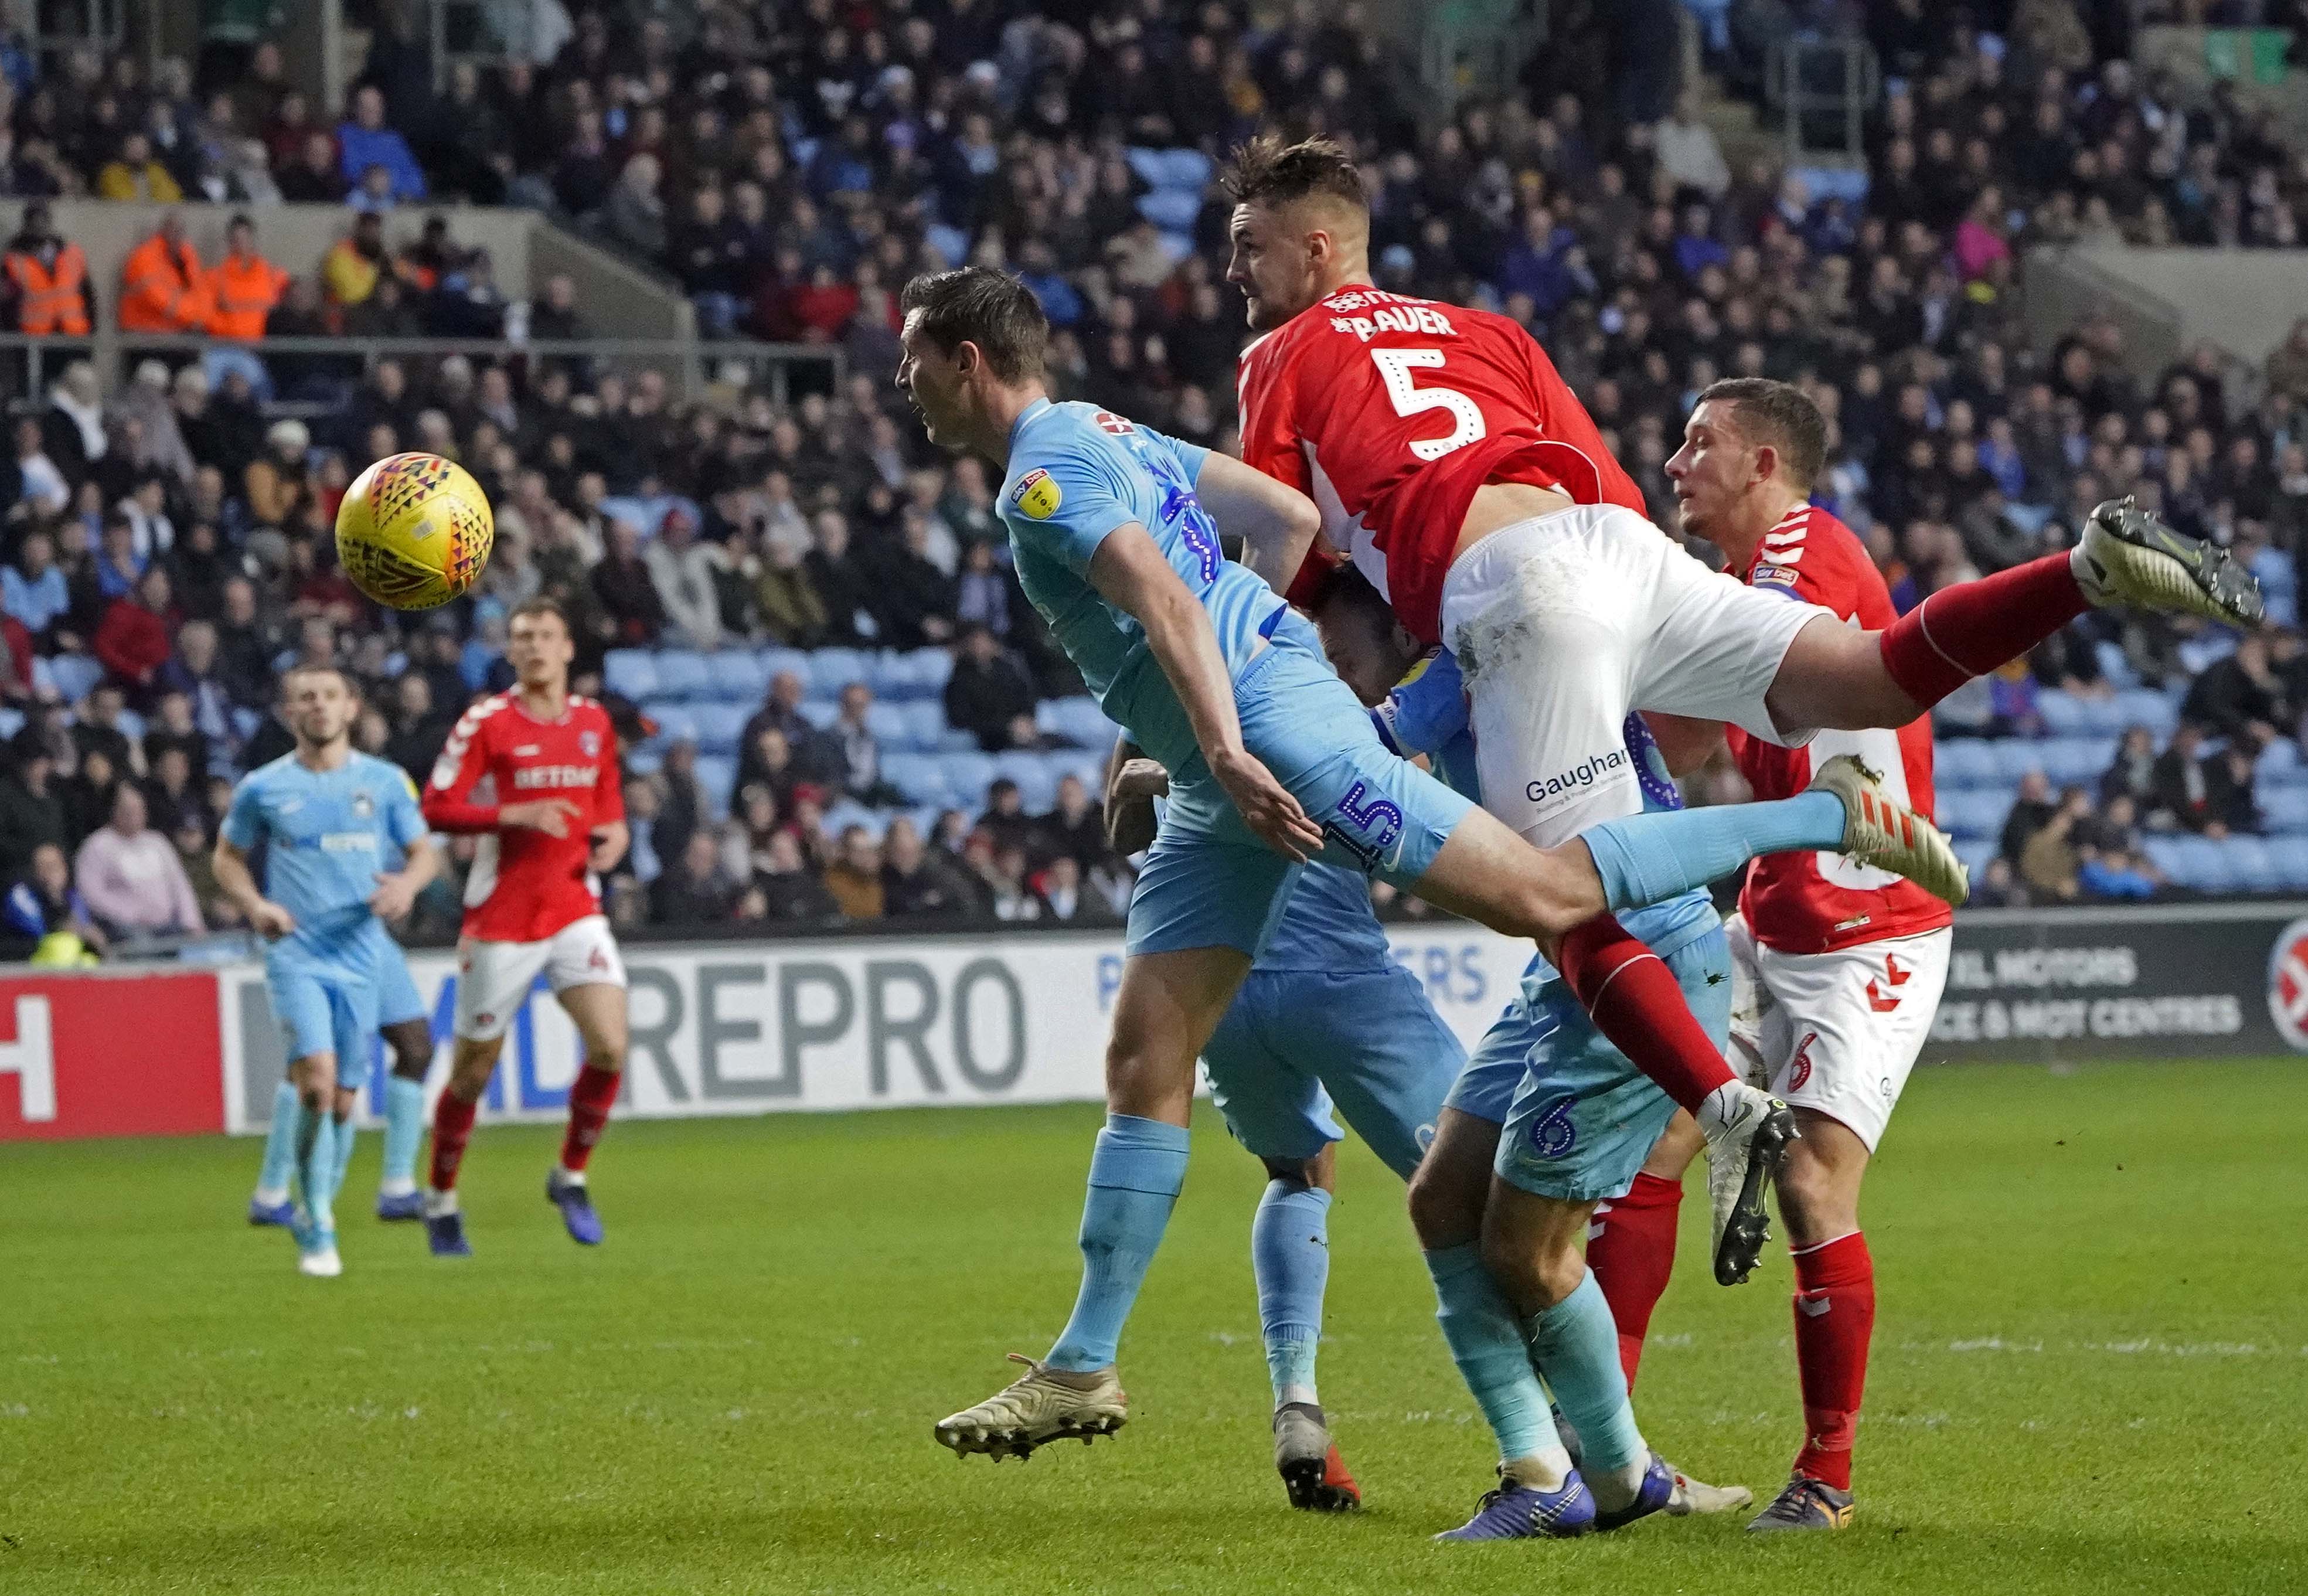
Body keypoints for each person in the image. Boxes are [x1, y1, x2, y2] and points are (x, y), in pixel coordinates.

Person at [893, 268, 1956, 1485]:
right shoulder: (1103, 429)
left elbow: (1174, 606)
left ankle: (1823, 813)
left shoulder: (1043, 476)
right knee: (1146, 1049)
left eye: (912, 358)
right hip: (1216, 758)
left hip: (1275, 734)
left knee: (1547, 896)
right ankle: (1085, 1360)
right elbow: (1280, 519)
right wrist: (1200, 734)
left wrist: (1230, 736)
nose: (901, 382)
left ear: (968, 360)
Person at [1223, 130, 2255, 1281]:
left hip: (1514, 593)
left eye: (1250, 247)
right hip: (1616, 548)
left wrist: (1254, 684)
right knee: (1864, 675)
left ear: (1316, 251)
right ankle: (2084, 568)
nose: (1235, 271)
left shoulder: (1279, 354)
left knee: (1556, 902)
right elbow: (1613, 482)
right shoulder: (1486, 331)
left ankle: (1721, 1097)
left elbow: (1283, 535)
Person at [1565, 381, 1958, 1534]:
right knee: (1653, 1138)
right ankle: (1603, 1444)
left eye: (1701, 442)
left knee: (1810, 1183)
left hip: (1872, 930)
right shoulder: (1740, 576)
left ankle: (1825, 1477)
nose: (1675, 461)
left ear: (1763, 464)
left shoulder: (1802, 553)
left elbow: (1724, 719)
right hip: (1772, 912)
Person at [211, 664, 439, 1277]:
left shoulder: (384, 781)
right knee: (316, 1079)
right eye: (306, 697)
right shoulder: (263, 787)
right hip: (297, 951)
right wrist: (256, 905)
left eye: (330, 696)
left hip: (362, 952)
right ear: (290, 712)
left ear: (351, 707)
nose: (319, 705)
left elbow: (424, 853)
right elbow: (227, 857)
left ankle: (310, 1198)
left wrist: (407, 886)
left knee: (341, 1099)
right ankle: (317, 1219)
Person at [419, 598, 629, 1257]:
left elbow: (606, 800)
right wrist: (513, 814)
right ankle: (441, 1198)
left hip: (574, 907)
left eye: (545, 635)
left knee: (610, 1046)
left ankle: (570, 1176)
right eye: (522, 637)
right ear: (510, 652)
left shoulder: (594, 721)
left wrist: (615, 832)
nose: (535, 646)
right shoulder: (487, 721)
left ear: (568, 648)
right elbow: (437, 807)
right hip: (503, 918)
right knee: (472, 1074)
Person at [74, 783, 204, 940]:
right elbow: (91, 894)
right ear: (114, 811)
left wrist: (192, 923)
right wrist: (130, 913)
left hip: (167, 924)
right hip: (124, 927)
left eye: (139, 810)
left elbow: (180, 886)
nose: (135, 816)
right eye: (129, 810)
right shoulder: (97, 846)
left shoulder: (158, 842)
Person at [0, 840, 104, 961]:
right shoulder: (20, 895)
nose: (49, 872)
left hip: (62, 956)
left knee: (89, 958)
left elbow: (84, 926)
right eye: (42, 867)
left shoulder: (73, 896)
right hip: (23, 956)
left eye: (54, 866)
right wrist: (72, 929)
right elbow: (40, 931)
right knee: (62, 946)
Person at [2, 202, 90, 336]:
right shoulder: (14, 259)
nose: (40, 226)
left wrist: (91, 332)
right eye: (35, 221)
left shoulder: (71, 254)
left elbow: (87, 294)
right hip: (33, 336)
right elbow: (7, 303)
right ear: (27, 225)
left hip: (73, 333)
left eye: (43, 220)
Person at [117, 213, 210, 336]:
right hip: (142, 333)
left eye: (180, 231)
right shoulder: (145, 258)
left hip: (175, 332)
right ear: (163, 231)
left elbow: (201, 291)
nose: (177, 236)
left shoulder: (186, 254)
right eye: (173, 231)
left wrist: (201, 316)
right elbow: (162, 302)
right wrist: (195, 315)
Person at [205, 213, 291, 342]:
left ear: (253, 239)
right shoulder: (214, 278)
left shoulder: (274, 276)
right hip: (224, 344)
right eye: (236, 240)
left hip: (264, 347)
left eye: (245, 238)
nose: (241, 244)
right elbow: (205, 314)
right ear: (229, 242)